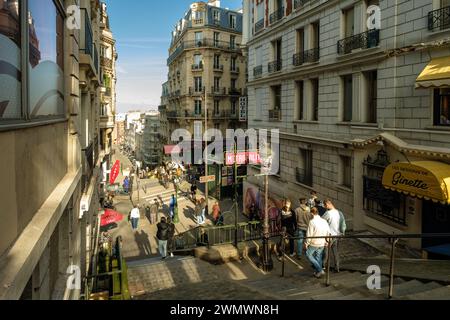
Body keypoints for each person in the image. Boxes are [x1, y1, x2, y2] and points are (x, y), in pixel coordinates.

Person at [305, 207, 331, 278]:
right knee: (318, 257)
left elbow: (309, 234)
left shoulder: (312, 222)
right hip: (322, 242)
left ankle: (319, 270)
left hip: (314, 242)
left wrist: (307, 243)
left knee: (308, 254)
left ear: (312, 213)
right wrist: (327, 240)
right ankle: (318, 272)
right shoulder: (324, 221)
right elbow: (328, 231)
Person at [322, 200, 346, 273]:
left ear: (328, 204)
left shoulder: (328, 213)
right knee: (335, 252)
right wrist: (342, 233)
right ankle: (337, 267)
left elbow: (321, 221)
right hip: (337, 235)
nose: (325, 207)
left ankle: (323, 266)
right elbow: (343, 224)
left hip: (329, 236)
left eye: (325, 206)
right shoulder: (340, 213)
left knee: (326, 252)